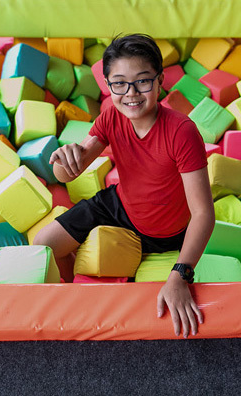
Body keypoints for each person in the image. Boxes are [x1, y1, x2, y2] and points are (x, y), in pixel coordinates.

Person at [37, 34, 214, 338]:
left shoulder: (182, 132)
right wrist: (64, 158)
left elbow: (203, 214)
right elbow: (66, 174)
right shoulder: (111, 117)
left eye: (142, 81)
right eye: (119, 83)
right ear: (108, 85)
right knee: (43, 246)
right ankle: (71, 303)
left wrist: (180, 275)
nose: (131, 93)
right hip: (119, 205)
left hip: (166, 230)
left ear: (160, 81)